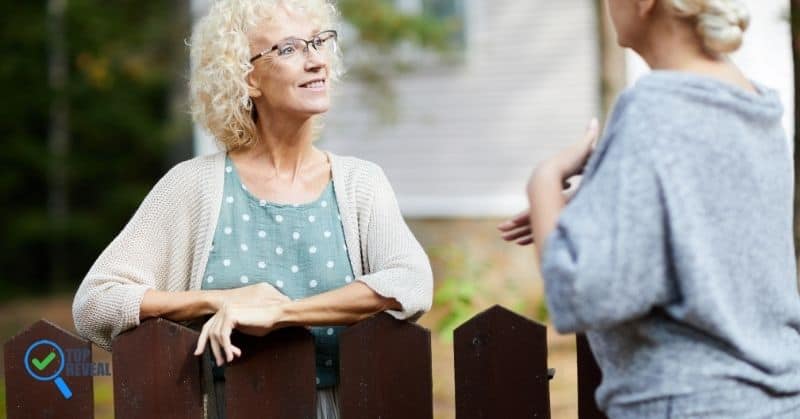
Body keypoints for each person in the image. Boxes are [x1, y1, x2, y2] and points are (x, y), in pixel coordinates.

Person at [72, 1, 433, 417]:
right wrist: (217, 301)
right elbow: (95, 303)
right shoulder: (192, 186)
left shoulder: (360, 183)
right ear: (247, 78)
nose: (316, 61)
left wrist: (281, 312)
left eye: (319, 43)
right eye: (289, 49)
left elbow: (411, 282)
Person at [500, 0, 800, 417]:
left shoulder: (653, 108)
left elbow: (579, 295)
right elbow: (705, 216)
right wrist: (600, 196)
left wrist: (545, 181)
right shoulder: (754, 105)